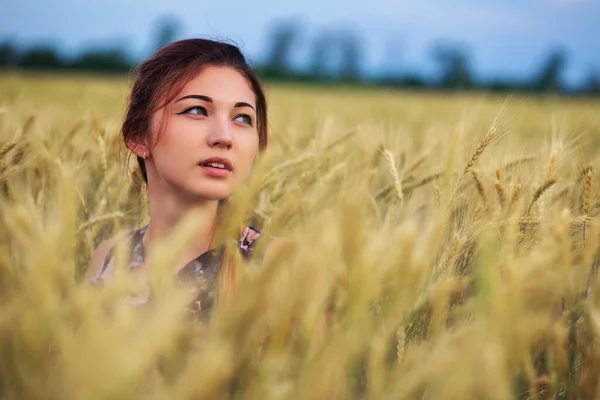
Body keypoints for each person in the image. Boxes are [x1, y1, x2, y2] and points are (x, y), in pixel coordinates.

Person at [84, 38, 268, 320]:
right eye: (196, 110)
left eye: (242, 118)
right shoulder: (110, 256)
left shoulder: (277, 266)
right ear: (138, 136)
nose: (224, 137)